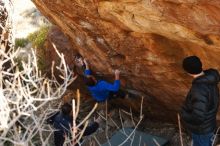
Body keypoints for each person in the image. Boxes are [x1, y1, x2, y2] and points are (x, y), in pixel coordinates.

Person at [180, 56, 220, 146]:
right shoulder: (210, 80)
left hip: (201, 130)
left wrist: (184, 115)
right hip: (209, 125)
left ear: (188, 71)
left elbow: (198, 117)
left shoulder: (199, 89)